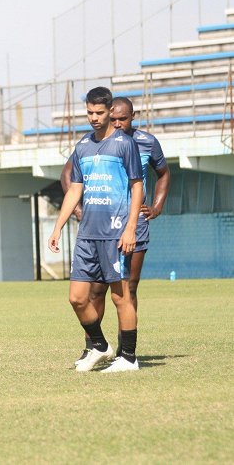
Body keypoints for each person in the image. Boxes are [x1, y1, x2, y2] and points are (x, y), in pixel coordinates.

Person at [61, 96, 171, 363]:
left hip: (133, 224)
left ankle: (126, 351)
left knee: (128, 288)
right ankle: (94, 347)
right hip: (101, 226)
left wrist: (155, 207)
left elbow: (162, 174)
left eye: (124, 118)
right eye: (116, 118)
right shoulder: (94, 143)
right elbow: (68, 176)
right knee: (95, 291)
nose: (119, 123)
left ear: (133, 116)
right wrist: (78, 211)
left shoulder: (145, 142)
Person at [48, 87, 144, 373]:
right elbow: (75, 188)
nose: (93, 118)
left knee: (120, 296)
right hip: (87, 234)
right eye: (89, 112)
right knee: (77, 297)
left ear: (110, 111)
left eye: (99, 113)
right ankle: (100, 347)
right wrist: (57, 227)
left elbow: (137, 186)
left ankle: (128, 358)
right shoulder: (82, 148)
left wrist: (130, 228)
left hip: (115, 233)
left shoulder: (124, 144)